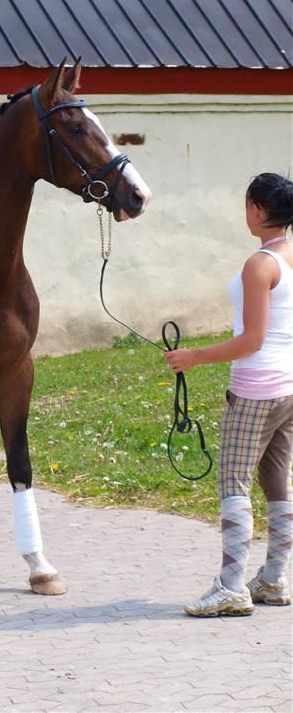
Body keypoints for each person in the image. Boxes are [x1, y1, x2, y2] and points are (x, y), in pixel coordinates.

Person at [165, 172, 293, 617]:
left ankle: (231, 585)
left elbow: (253, 339)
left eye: (247, 205)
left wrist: (193, 357)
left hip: (256, 388)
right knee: (277, 482)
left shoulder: (260, 264)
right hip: (288, 387)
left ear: (257, 209)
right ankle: (275, 578)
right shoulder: (290, 256)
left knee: (233, 482)